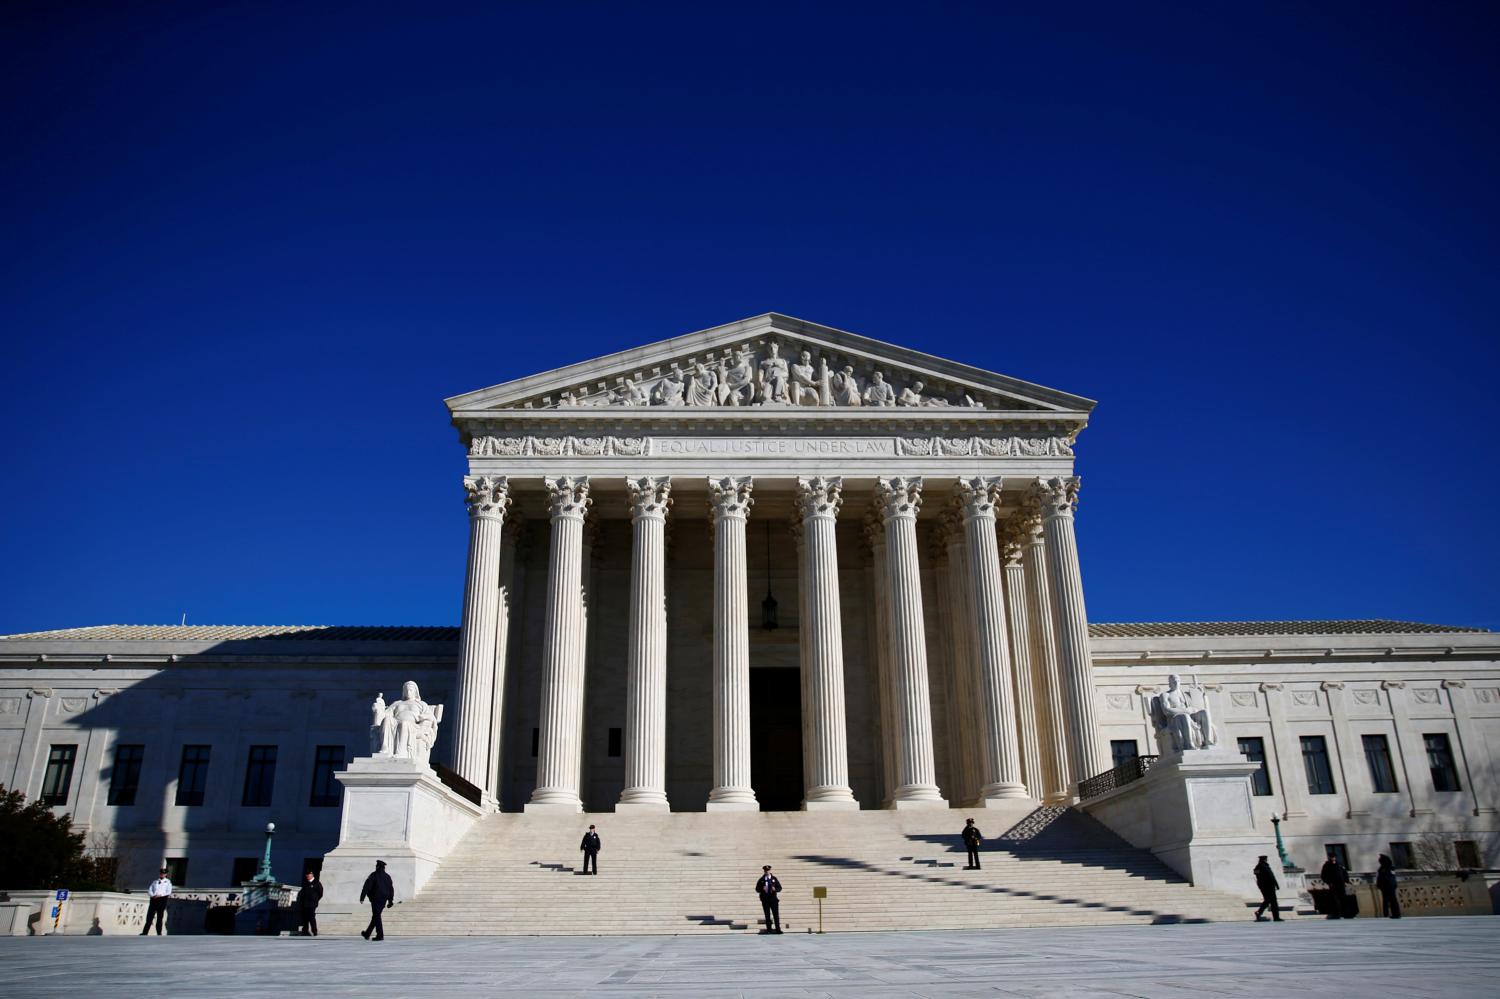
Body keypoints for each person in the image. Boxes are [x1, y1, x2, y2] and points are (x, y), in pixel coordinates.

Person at [359, 859, 394, 940]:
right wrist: (390, 900)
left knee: (376, 916)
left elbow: (367, 886)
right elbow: (391, 889)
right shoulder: (388, 876)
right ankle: (367, 933)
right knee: (376, 916)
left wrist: (362, 897)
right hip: (383, 899)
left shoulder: (373, 875)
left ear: (378, 866)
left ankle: (380, 935)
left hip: (375, 899)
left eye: (376, 866)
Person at [140, 867, 172, 935]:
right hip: (154, 900)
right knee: (149, 917)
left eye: (163, 873)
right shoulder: (155, 882)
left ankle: (159, 932)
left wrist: (160, 895)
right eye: (161, 873)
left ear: (166, 874)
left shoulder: (168, 882)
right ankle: (145, 932)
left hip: (162, 900)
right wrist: (153, 895)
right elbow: (150, 890)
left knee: (159, 917)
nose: (162, 874)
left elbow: (168, 892)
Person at [1253, 855, 1282, 922]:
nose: (1267, 860)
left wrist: (1276, 885)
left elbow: (1270, 876)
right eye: (1266, 859)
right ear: (1264, 859)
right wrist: (1276, 885)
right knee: (1272, 901)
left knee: (1269, 900)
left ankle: (1260, 912)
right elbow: (1270, 877)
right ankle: (1275, 917)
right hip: (1268, 886)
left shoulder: (1262, 866)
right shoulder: (1263, 866)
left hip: (1268, 886)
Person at [1320, 853, 1349, 919]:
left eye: (1334, 857)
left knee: (1343, 898)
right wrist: (1329, 882)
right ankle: (1337, 913)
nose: (1333, 858)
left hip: (1341, 884)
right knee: (1335, 899)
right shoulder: (1326, 865)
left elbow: (1345, 873)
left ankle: (1345, 913)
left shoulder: (1340, 865)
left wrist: (1346, 881)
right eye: (1331, 857)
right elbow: (1323, 876)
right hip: (1333, 885)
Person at [755, 865, 783, 934]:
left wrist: (775, 889)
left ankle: (778, 929)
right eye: (765, 871)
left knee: (776, 915)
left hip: (773, 899)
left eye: (768, 870)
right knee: (767, 915)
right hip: (765, 900)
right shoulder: (761, 879)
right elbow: (757, 889)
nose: (767, 872)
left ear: (770, 871)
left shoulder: (774, 879)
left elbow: (780, 888)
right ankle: (769, 929)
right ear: (764, 871)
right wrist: (762, 889)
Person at [296, 869, 324, 936]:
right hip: (305, 903)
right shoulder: (306, 883)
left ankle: (314, 931)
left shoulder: (317, 883)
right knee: (305, 917)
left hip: (312, 904)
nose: (307, 876)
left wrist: (315, 900)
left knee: (311, 917)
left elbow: (320, 893)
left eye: (309, 875)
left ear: (312, 875)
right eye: (307, 875)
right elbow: (302, 893)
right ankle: (305, 931)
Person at [1376, 854, 1401, 918]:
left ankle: (1396, 914)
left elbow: (1391, 877)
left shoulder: (1390, 867)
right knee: (1387, 900)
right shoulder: (1382, 868)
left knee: (1393, 900)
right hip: (1384, 886)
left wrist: (1390, 883)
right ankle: (1387, 913)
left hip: (1389, 886)